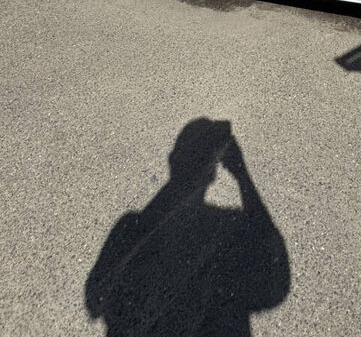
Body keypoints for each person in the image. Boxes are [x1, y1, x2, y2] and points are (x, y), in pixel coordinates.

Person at [86, 118, 290, 337]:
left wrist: (188, 182)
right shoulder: (228, 227)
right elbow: (276, 279)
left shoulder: (131, 226)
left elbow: (95, 299)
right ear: (214, 174)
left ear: (172, 160)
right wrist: (242, 176)